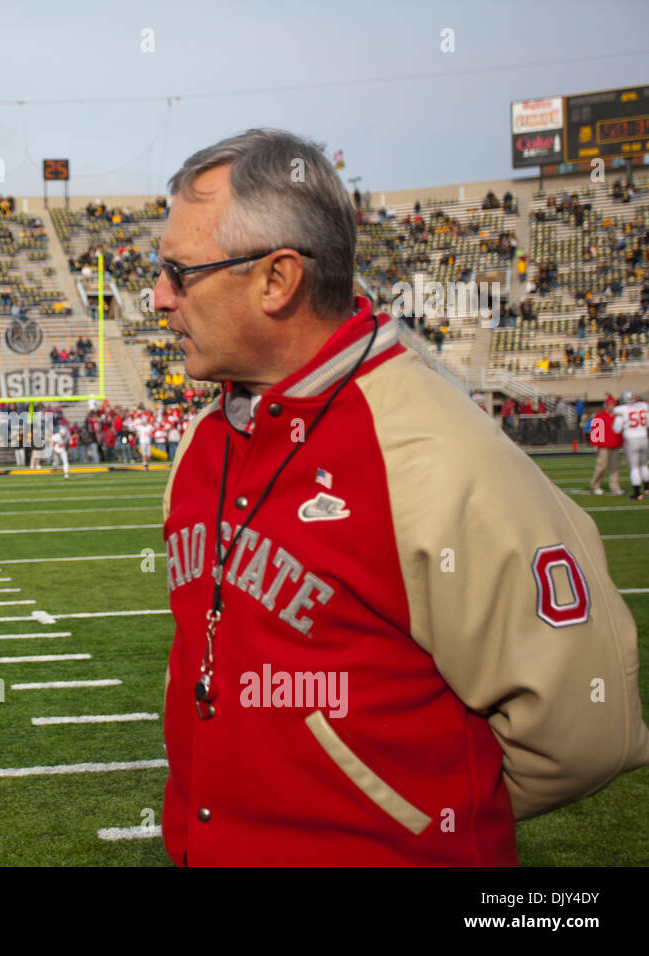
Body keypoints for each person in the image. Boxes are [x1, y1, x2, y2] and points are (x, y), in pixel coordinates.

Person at [151, 128, 649, 867]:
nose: (158, 298)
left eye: (177, 272)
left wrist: (419, 813)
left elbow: (584, 731)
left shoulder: (437, 451)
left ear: (275, 280)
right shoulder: (201, 445)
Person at [612, 389, 649, 500]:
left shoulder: (620, 409)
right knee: (643, 465)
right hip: (644, 438)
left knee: (634, 468)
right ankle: (647, 489)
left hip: (631, 440)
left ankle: (637, 493)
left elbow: (617, 429)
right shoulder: (643, 406)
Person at [588, 397, 623, 495]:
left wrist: (621, 443)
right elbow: (594, 431)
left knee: (614, 468)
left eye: (614, 405)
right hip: (603, 446)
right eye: (611, 404)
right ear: (606, 405)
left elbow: (620, 432)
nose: (612, 407)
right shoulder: (599, 416)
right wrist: (594, 444)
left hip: (615, 446)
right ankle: (595, 486)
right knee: (601, 467)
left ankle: (615, 488)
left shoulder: (618, 417)